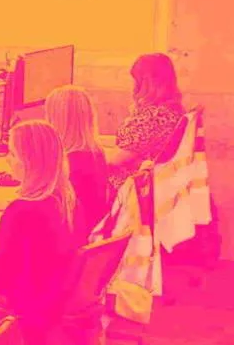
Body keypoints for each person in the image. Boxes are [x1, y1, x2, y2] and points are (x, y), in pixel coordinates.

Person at [0, 120, 79, 345]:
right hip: (51, 296)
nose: (7, 160)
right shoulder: (66, 198)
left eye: (12, 154)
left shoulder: (21, 210)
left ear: (29, 162)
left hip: (26, 303)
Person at [106, 53, 185, 191]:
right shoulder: (169, 111)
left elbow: (116, 159)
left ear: (146, 83)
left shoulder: (156, 116)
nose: (133, 86)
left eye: (135, 80)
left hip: (131, 192)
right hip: (141, 187)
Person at [45, 85, 110, 237]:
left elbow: (53, 214)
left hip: (72, 239)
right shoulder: (95, 153)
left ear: (57, 120)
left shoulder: (69, 163)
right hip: (90, 234)